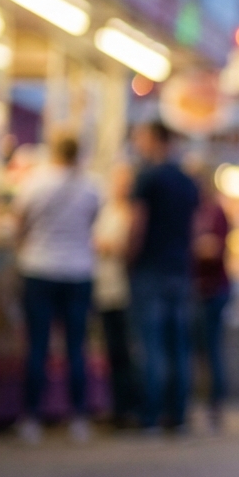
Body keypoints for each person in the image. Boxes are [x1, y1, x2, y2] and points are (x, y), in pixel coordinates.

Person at [13, 133, 100, 445]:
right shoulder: (91, 187)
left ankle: (31, 418)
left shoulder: (35, 183)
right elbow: (91, 224)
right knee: (77, 348)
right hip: (78, 271)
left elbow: (19, 223)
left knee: (38, 346)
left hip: (39, 267)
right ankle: (78, 417)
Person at [129, 121, 200, 434]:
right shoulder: (188, 182)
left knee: (150, 343)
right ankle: (179, 415)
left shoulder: (147, 177)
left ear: (154, 139)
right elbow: (196, 230)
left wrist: (129, 256)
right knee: (178, 345)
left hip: (151, 267)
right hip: (180, 269)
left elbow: (137, 224)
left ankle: (150, 416)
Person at [93, 162, 137, 428]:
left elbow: (125, 248)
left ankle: (129, 407)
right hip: (105, 287)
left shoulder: (133, 213)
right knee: (112, 351)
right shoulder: (106, 211)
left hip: (125, 290)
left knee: (126, 352)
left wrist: (107, 246)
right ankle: (117, 406)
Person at [193, 172, 231, 433]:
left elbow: (213, 249)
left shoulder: (215, 212)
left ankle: (215, 406)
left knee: (212, 350)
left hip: (215, 289)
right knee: (196, 352)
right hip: (195, 288)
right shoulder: (192, 210)